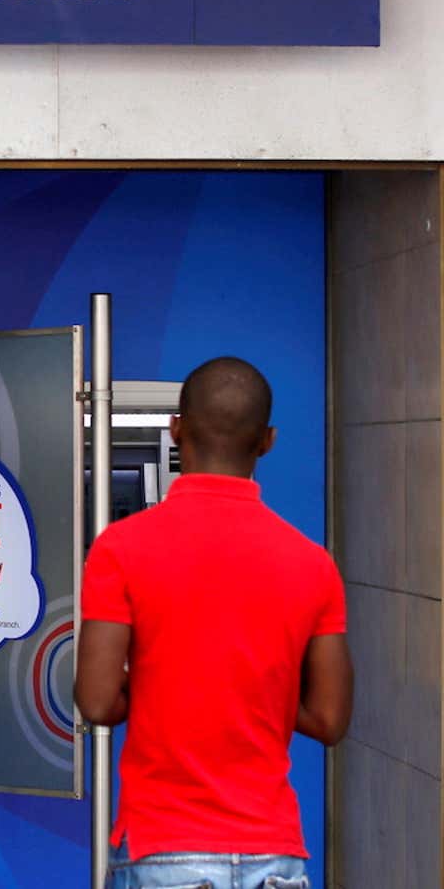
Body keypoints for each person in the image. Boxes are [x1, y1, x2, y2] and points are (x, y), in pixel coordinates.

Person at [75, 356, 353, 889]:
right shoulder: (313, 562)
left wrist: (162, 680)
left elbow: (96, 701)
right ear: (267, 441)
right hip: (275, 859)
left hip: (164, 848)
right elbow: (329, 718)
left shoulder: (121, 548)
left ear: (176, 428)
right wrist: (251, 687)